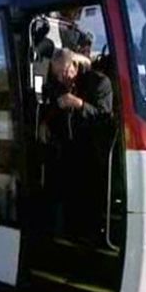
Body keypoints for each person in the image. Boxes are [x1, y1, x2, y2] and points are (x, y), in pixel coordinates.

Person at [40, 48, 113, 243]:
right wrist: (48, 117)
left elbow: (104, 117)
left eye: (65, 72)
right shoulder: (56, 85)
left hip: (92, 153)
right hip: (66, 152)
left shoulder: (99, 82)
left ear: (74, 65)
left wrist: (79, 104)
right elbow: (50, 111)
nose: (62, 78)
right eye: (57, 74)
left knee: (89, 203)